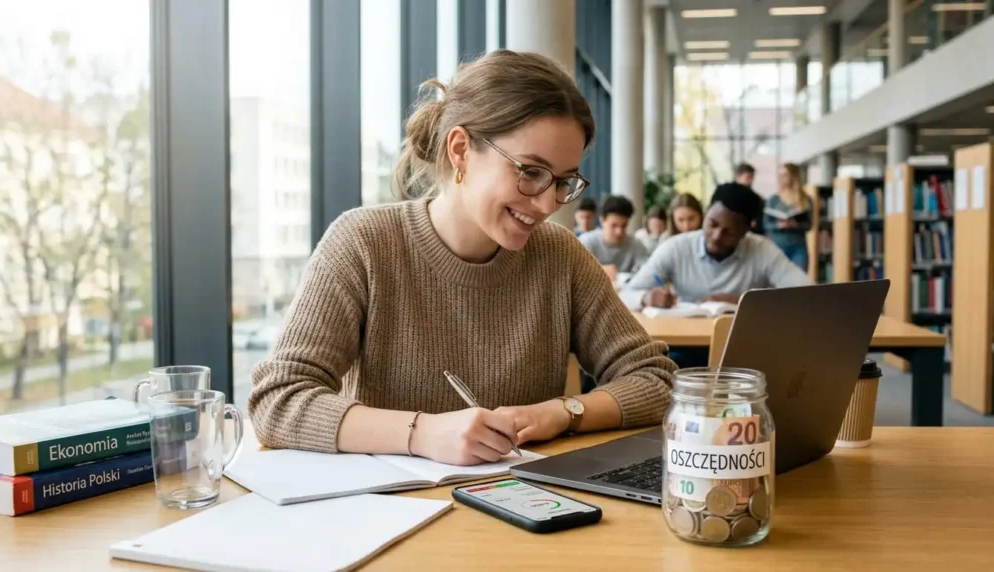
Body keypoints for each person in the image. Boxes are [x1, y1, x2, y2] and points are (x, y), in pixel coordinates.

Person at [247, 50, 676, 467]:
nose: (548, 203)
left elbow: (657, 381)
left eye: (564, 182)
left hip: (527, 512)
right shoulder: (363, 243)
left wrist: (562, 411)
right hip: (388, 516)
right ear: (460, 150)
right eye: (530, 172)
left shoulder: (559, 254)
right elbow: (278, 400)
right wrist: (422, 434)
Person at [623, 182, 809, 310]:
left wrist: (742, 301)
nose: (716, 236)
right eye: (712, 224)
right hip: (683, 342)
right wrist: (645, 298)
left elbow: (807, 294)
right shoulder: (675, 248)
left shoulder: (762, 250)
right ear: (705, 214)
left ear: (745, 231)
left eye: (729, 231)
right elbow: (625, 294)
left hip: (744, 343)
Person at [578, 195, 649, 277]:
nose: (619, 232)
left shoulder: (636, 245)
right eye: (614, 225)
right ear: (602, 221)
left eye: (624, 226)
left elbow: (647, 270)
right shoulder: (586, 243)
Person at [763, 163, 813, 271]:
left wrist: (796, 225)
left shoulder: (805, 199)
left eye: (785, 175)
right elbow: (765, 224)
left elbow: (809, 225)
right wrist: (778, 225)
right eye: (780, 175)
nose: (782, 178)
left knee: (800, 279)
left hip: (798, 247)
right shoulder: (773, 200)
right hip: (778, 246)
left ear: (794, 176)